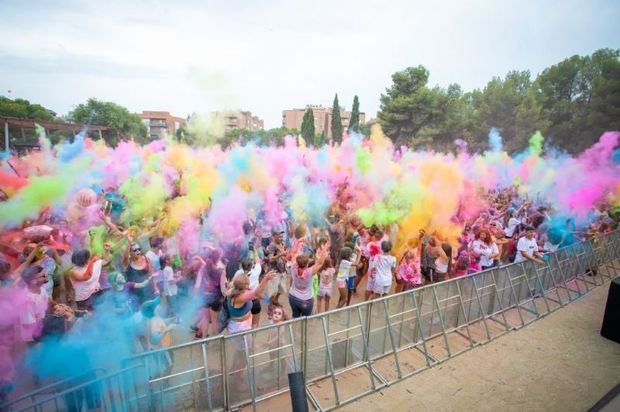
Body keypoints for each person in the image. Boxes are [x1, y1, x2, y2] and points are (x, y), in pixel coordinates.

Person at [288, 249, 328, 318]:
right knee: (306, 318)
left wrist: (298, 242)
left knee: (295, 315)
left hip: (293, 297)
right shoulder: (310, 272)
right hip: (306, 300)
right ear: (307, 264)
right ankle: (303, 328)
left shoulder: (293, 267)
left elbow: (292, 252)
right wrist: (325, 249)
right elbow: (320, 263)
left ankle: (295, 328)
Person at [232, 246, 263, 329]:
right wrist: (255, 251)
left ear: (241, 266)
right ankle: (252, 339)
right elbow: (258, 261)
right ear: (252, 265)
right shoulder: (256, 271)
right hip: (254, 299)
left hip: (242, 300)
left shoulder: (238, 273)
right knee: (255, 323)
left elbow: (233, 284)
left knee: (244, 323)